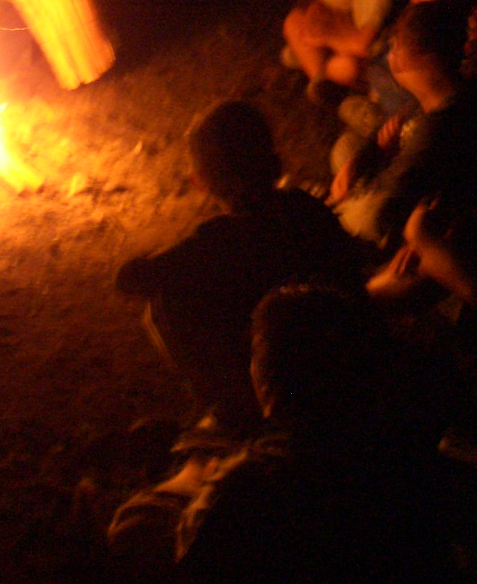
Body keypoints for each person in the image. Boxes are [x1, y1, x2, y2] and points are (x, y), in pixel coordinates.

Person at [173, 286, 462, 584]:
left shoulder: (242, 491)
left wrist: (201, 479)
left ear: (264, 378)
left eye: (256, 354)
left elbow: (192, 567)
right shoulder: (407, 458)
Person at [115, 101, 365, 436]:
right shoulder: (305, 208)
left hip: (299, 387)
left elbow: (130, 279)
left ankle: (240, 411)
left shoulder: (219, 240)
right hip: (356, 362)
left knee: (167, 303)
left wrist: (158, 253)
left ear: (203, 179)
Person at [330, 1, 477, 246]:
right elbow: (391, 127)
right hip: (396, 177)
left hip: (402, 219)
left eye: (396, 45)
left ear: (420, 59)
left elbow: (384, 204)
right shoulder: (434, 93)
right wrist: (359, 160)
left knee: (357, 214)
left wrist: (343, 203)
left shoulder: (438, 129)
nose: (390, 53)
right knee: (346, 150)